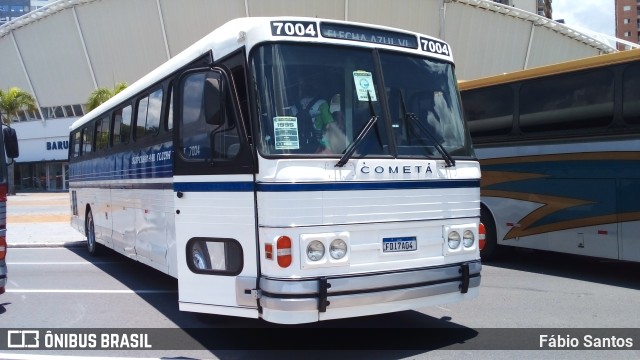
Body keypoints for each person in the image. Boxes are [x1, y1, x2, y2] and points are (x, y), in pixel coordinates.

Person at [291, 79, 345, 154]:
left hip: (297, 148)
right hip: (318, 148)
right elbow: (330, 126)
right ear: (316, 91)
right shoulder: (322, 104)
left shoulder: (293, 108)